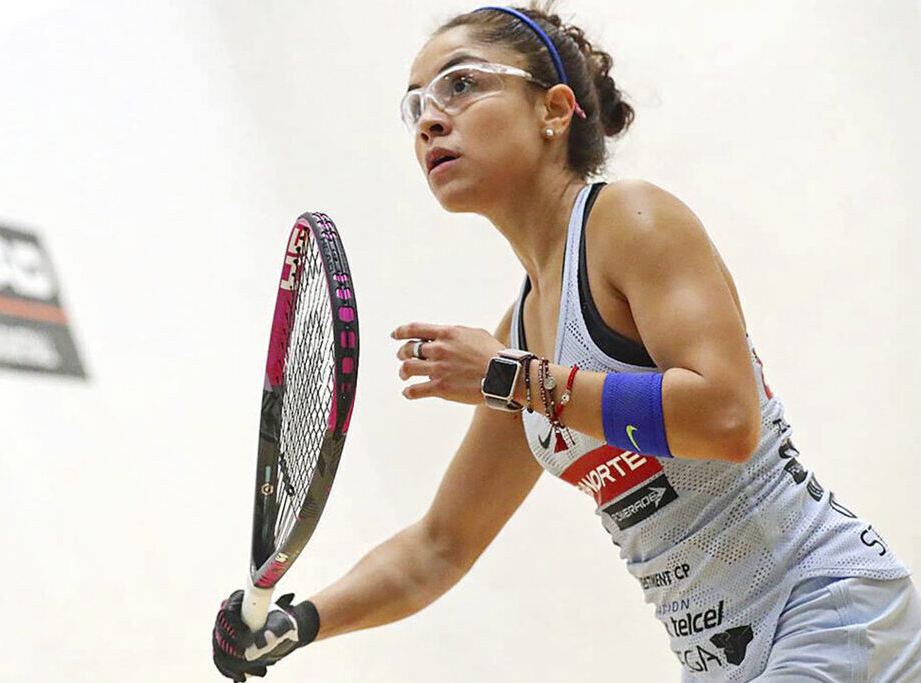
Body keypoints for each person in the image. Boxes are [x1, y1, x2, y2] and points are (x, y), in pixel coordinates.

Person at [213, 4, 921, 681]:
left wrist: (517, 382)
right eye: (416, 105)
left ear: (554, 110)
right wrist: (300, 622)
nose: (431, 117)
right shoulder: (520, 333)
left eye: (461, 84)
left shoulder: (633, 220)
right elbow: (439, 546)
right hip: (721, 661)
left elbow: (727, 419)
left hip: (826, 612)